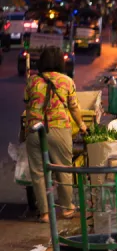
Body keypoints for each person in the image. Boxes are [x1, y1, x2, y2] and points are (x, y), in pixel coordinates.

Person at [24, 46, 87, 223]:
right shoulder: (66, 81)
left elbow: (28, 103)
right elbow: (74, 107)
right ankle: (67, 209)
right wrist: (82, 125)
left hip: (34, 129)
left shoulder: (32, 81)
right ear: (61, 62)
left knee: (38, 172)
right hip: (58, 128)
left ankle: (44, 213)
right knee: (63, 168)